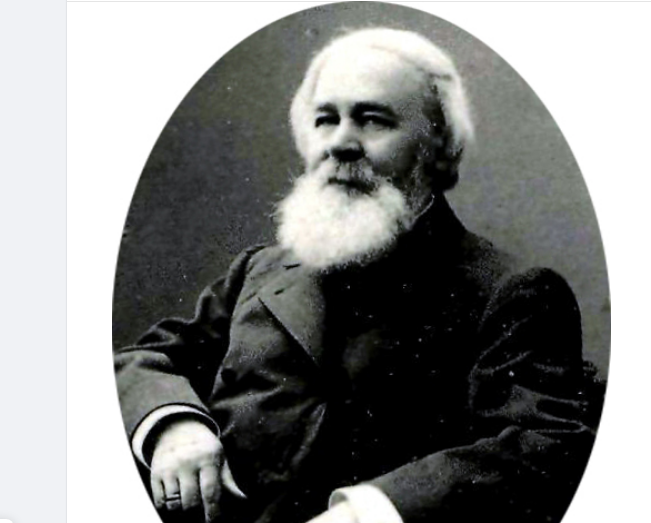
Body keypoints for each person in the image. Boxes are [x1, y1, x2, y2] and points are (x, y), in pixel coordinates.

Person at [115, 28, 602, 523]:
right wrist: (174, 426)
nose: (340, 143)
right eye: (325, 120)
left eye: (372, 120)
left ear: (437, 146)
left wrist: (366, 514)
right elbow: (141, 362)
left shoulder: (512, 291)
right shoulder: (258, 272)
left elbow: (546, 445)